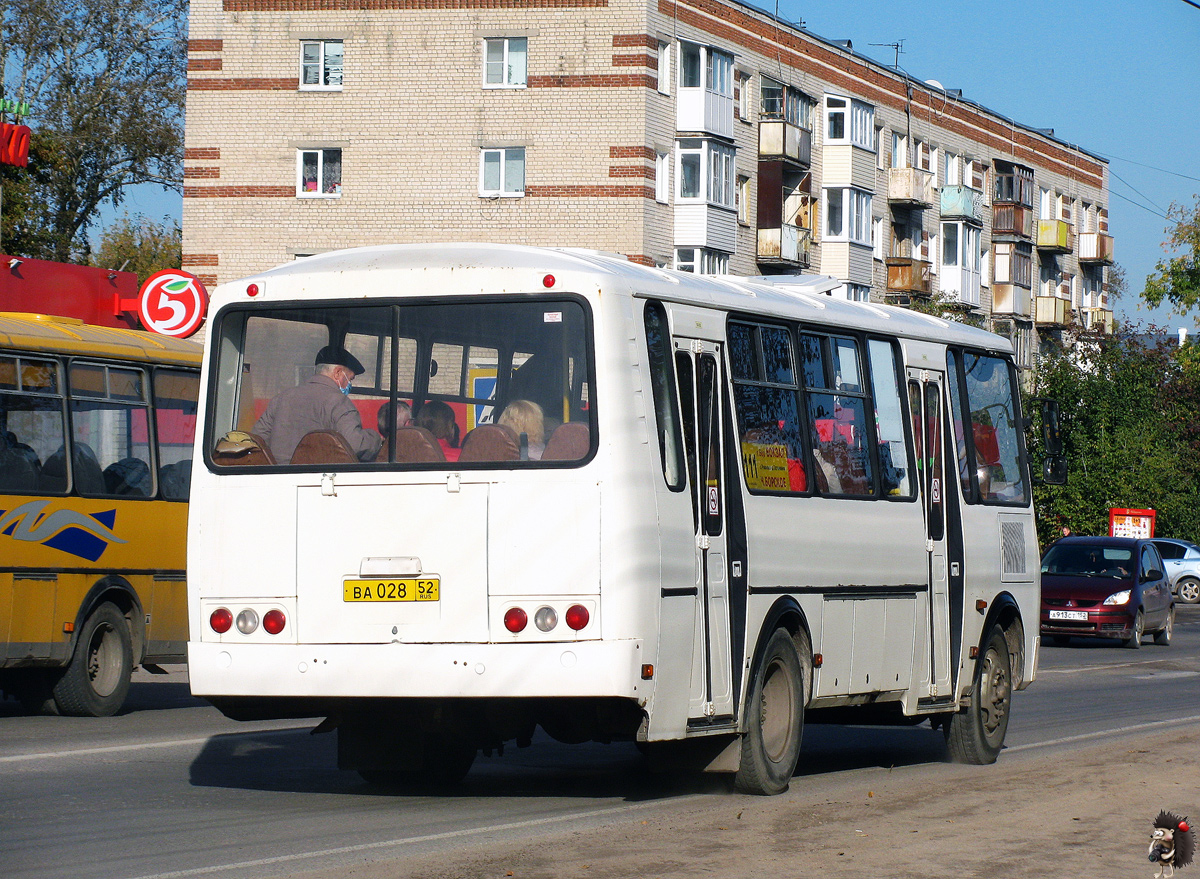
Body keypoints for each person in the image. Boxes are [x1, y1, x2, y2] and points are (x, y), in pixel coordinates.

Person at [253, 345, 383, 464]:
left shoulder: (282, 398)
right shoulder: (339, 403)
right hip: (318, 480)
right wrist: (376, 439)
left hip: (278, 479)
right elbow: (355, 445)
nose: (349, 384)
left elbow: (258, 439)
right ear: (338, 373)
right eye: (350, 378)